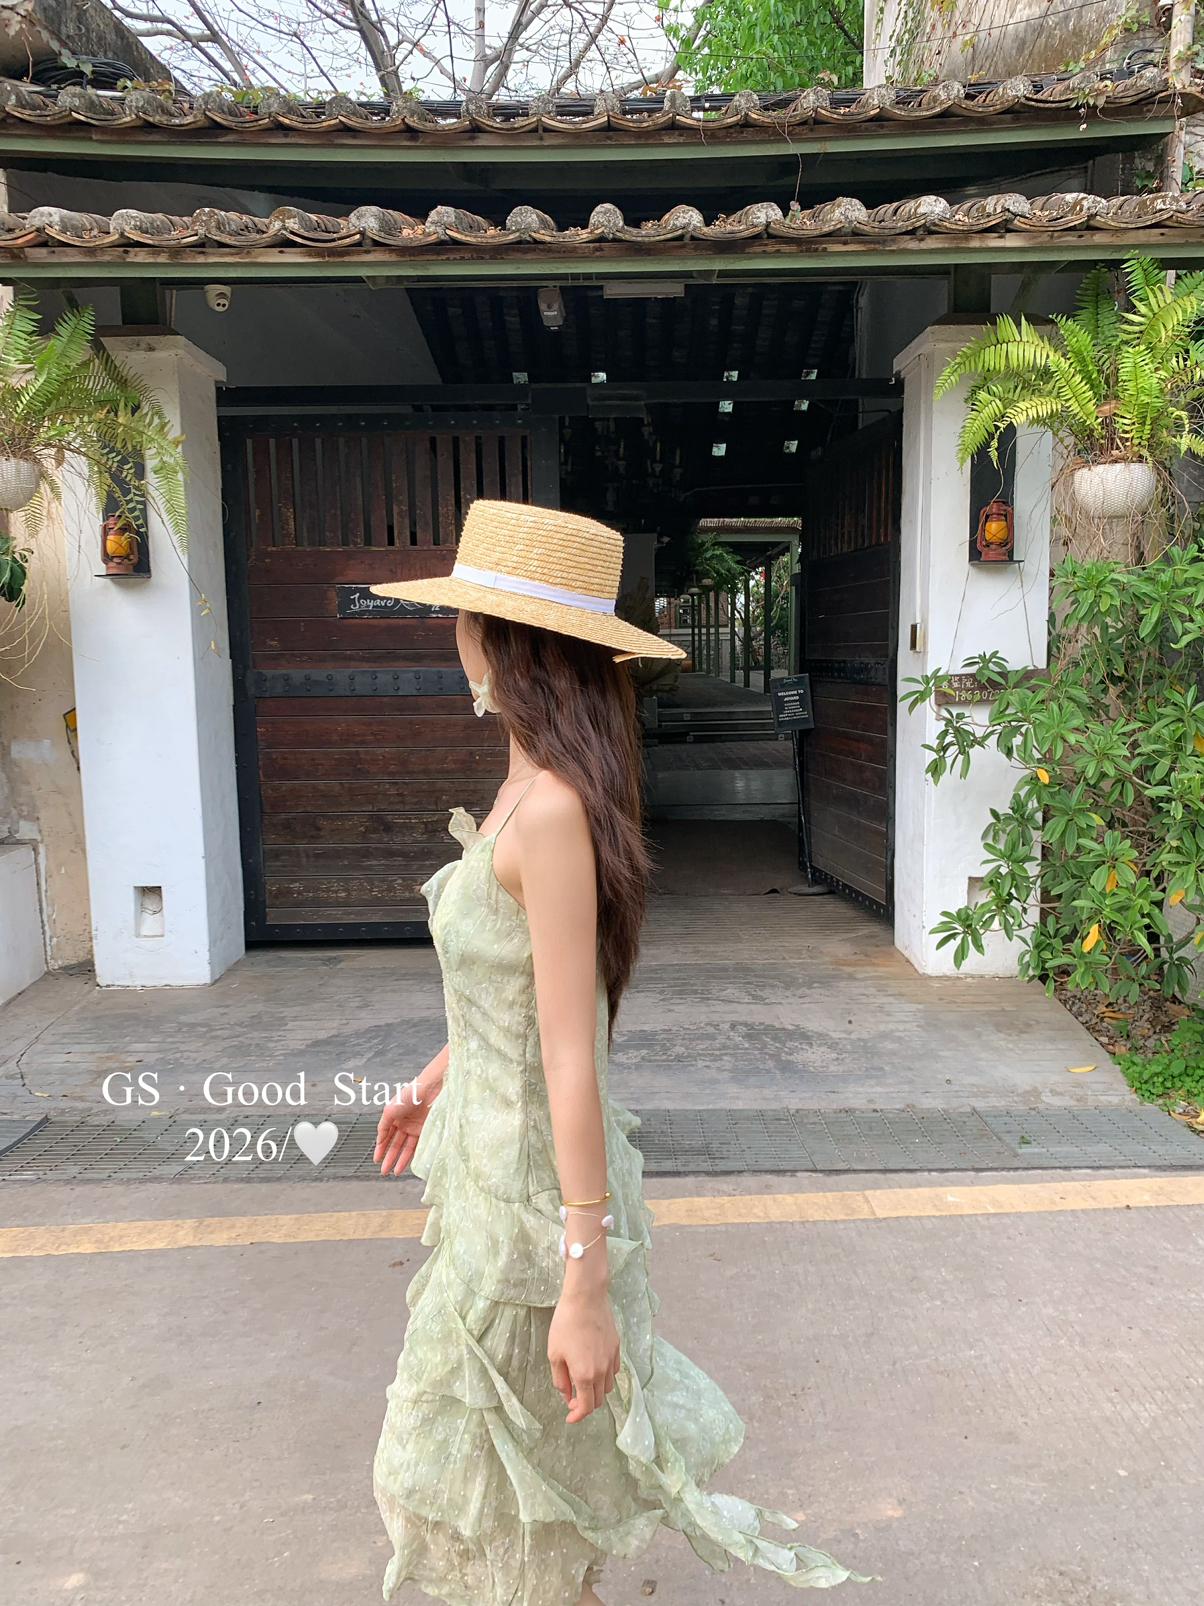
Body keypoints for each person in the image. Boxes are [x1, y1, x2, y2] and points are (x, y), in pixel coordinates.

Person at [369, 500, 871, 1606]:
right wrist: (433, 1078)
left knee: (515, 1511)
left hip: (531, 1212)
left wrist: (583, 1281)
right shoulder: (524, 787)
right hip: (484, 1183)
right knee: (510, 1505)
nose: (452, 632)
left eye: (462, 613)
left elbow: (572, 1052)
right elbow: (512, 996)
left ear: (503, 640)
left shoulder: (549, 809)